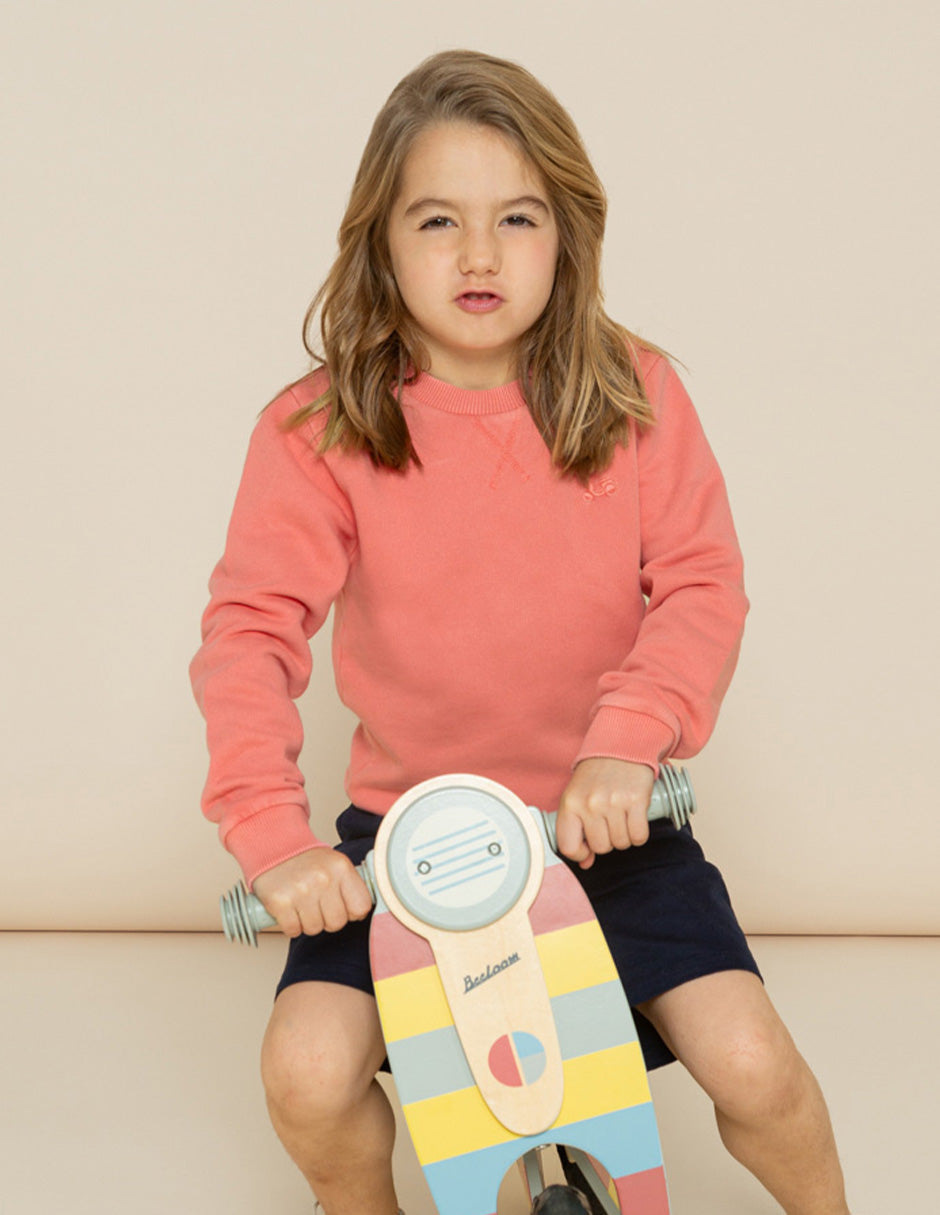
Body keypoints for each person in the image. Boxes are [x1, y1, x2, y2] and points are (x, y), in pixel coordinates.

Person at [190, 49, 850, 1215]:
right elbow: (250, 635)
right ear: (380, 242)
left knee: (755, 1065)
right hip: (409, 847)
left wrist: (628, 741)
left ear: (567, 234)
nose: (479, 256)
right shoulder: (314, 431)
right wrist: (272, 839)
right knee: (305, 1073)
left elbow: (701, 586)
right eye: (437, 220)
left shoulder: (636, 395)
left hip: (605, 826)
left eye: (517, 218)